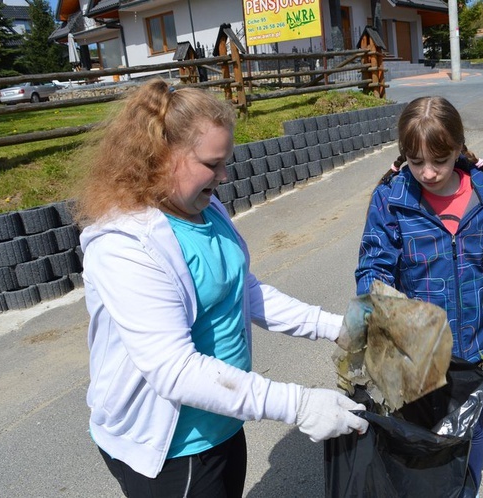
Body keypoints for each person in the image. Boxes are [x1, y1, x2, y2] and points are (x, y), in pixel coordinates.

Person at [74, 79, 368, 497]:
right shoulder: (126, 247)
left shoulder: (206, 208)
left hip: (224, 418)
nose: (224, 176)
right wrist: (299, 405)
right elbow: (173, 369)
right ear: (158, 158)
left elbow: (241, 290)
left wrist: (333, 326)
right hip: (174, 449)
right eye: (211, 164)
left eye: (225, 162)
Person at [354, 96, 483, 494]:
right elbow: (372, 267)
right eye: (416, 163)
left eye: (440, 161)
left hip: (473, 339)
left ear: (458, 148)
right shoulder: (392, 200)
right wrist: (382, 306)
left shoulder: (482, 194)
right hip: (417, 345)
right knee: (421, 432)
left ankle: (467, 490)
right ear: (404, 157)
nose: (429, 173)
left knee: (469, 426)